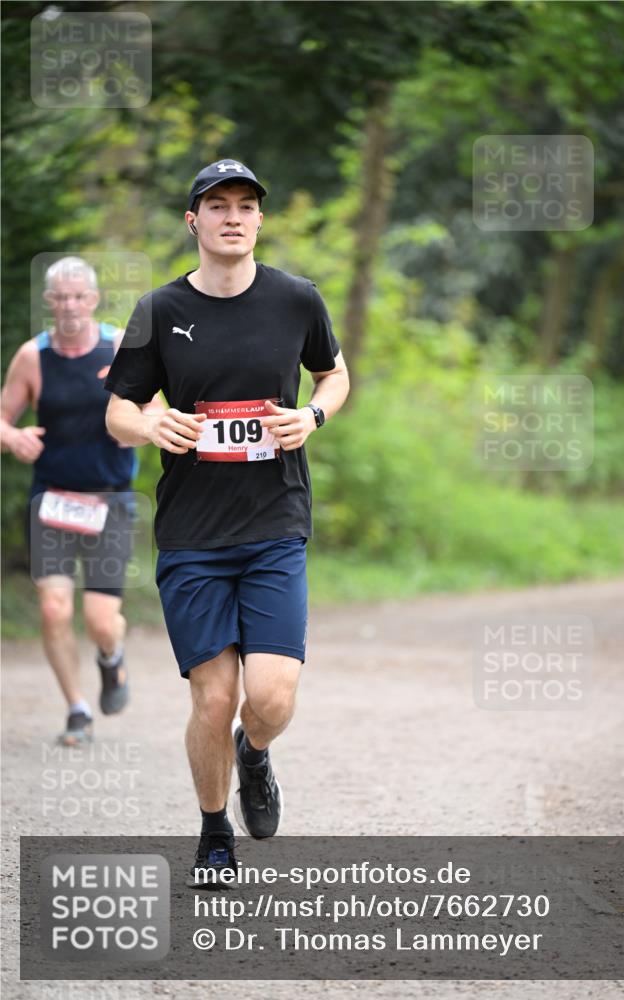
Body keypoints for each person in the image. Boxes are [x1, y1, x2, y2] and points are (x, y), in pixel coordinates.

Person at [104, 159, 349, 879]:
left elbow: (334, 372)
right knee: (213, 699)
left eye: (245, 205)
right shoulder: (158, 310)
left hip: (274, 522)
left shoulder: (296, 300)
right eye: (217, 206)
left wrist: (312, 415)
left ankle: (256, 753)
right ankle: (214, 832)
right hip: (191, 536)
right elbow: (118, 408)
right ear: (194, 221)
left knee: (268, 697)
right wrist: (151, 428)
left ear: (259, 220)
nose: (232, 216)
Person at [0, 256, 160, 746]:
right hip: (51, 499)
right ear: (49, 302)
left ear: (92, 299)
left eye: (78, 296)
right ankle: (77, 708)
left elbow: (157, 411)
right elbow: (3, 418)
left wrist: (136, 426)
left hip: (109, 501)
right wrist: (14, 438)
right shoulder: (33, 357)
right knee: (52, 608)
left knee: (100, 621)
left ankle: (111, 660)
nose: (69, 305)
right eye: (60, 297)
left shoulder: (120, 346)